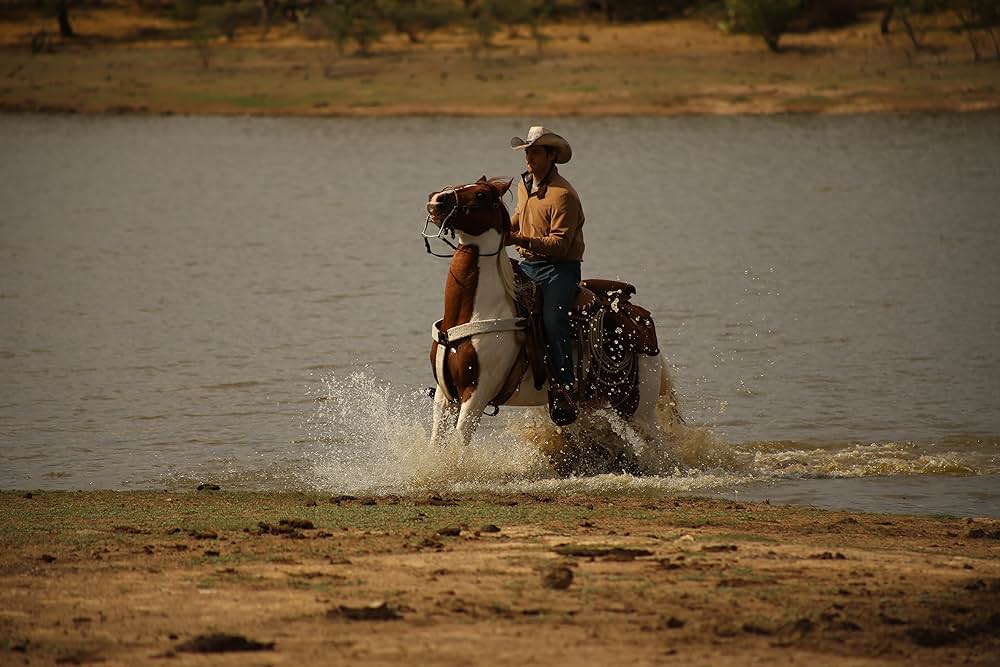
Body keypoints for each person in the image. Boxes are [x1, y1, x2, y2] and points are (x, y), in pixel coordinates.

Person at [507, 126, 585, 427]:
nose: (529, 158)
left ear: (551, 156)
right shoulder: (525, 186)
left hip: (559, 269)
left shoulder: (563, 195)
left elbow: (560, 245)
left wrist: (520, 240)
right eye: (527, 152)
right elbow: (518, 218)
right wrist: (499, 232)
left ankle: (565, 386)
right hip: (528, 265)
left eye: (535, 151)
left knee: (553, 320)